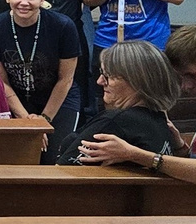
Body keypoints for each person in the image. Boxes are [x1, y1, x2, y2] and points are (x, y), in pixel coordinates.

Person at [81, 26, 196, 189]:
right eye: (181, 78)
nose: (186, 86)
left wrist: (134, 154)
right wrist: (181, 147)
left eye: (192, 76)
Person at [0, 0, 81, 140]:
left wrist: (44, 120)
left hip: (58, 98)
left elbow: (66, 79)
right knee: (19, 150)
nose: (24, 3)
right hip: (15, 99)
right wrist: (25, 119)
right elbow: (1, 81)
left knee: (56, 153)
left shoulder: (63, 26)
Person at [51, 39, 179, 166]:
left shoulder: (115, 122)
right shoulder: (161, 122)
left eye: (108, 76)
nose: (100, 81)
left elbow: (62, 172)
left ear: (136, 81)